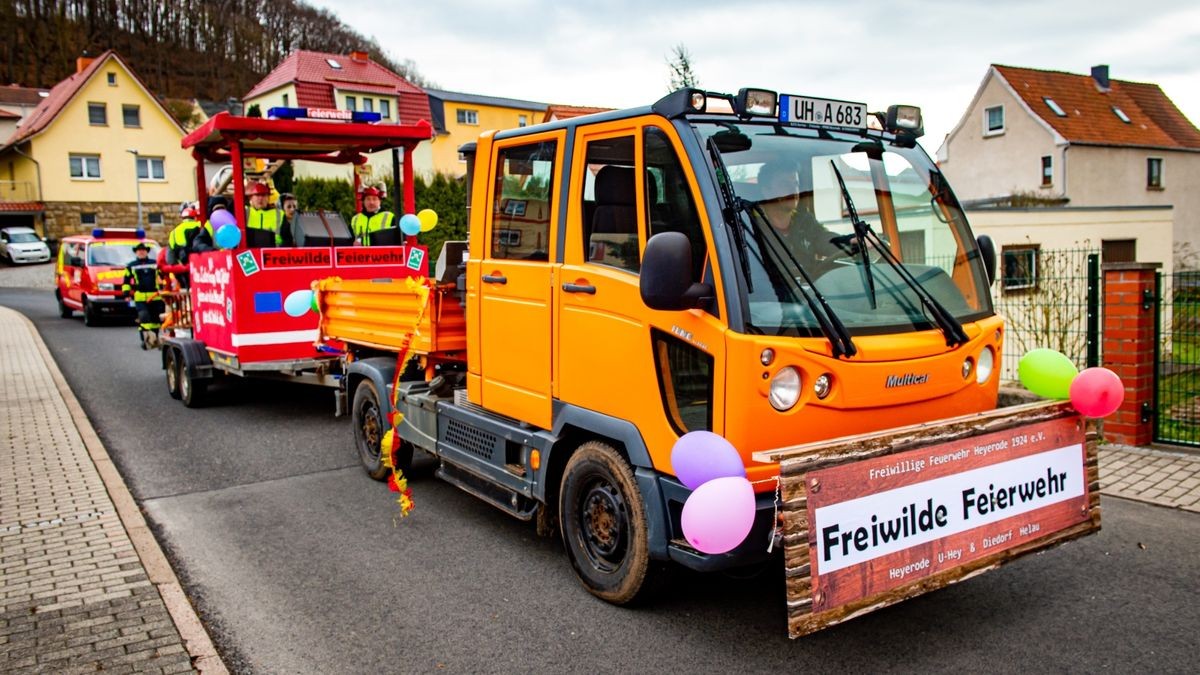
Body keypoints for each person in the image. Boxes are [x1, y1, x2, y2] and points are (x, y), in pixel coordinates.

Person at [756, 160, 842, 267]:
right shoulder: (752, 226)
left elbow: (825, 239)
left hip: (808, 283)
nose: (793, 190)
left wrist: (850, 243)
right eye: (785, 184)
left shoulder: (804, 221)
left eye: (795, 184)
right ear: (766, 191)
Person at [121, 242, 164, 349]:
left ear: (147, 252)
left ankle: (155, 339)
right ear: (136, 252)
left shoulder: (155, 263)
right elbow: (126, 281)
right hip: (140, 297)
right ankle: (145, 340)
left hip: (155, 296)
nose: (141, 252)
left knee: (156, 319)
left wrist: (164, 289)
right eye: (139, 250)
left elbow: (162, 277)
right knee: (144, 317)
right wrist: (126, 293)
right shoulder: (131, 266)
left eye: (143, 250)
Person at [166, 205, 207, 287]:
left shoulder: (173, 232)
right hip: (201, 265)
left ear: (182, 218)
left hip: (184, 268)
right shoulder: (201, 226)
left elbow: (170, 258)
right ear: (195, 217)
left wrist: (178, 271)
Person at [246, 182, 292, 247]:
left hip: (273, 253)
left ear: (268, 198)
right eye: (257, 195)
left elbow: (288, 239)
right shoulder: (245, 213)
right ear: (250, 198)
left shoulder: (279, 214)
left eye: (264, 195)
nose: (260, 198)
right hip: (250, 254)